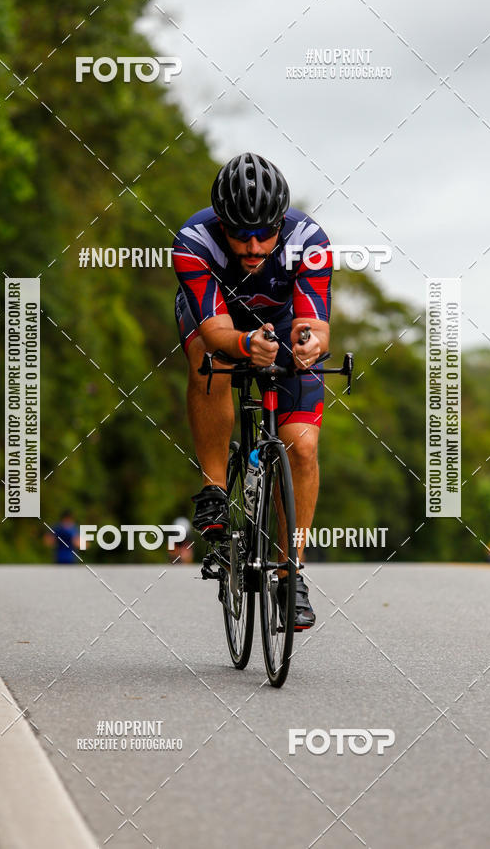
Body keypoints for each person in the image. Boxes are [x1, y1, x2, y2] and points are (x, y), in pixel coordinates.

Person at [173, 152, 333, 630]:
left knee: (302, 448)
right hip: (217, 322)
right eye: (240, 233)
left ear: (280, 222)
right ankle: (215, 486)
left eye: (264, 232)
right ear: (221, 224)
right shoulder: (194, 242)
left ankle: (292, 573)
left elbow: (316, 326)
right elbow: (216, 329)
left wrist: (308, 344)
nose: (253, 245)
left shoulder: (310, 240)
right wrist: (244, 344)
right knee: (211, 358)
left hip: (283, 323)